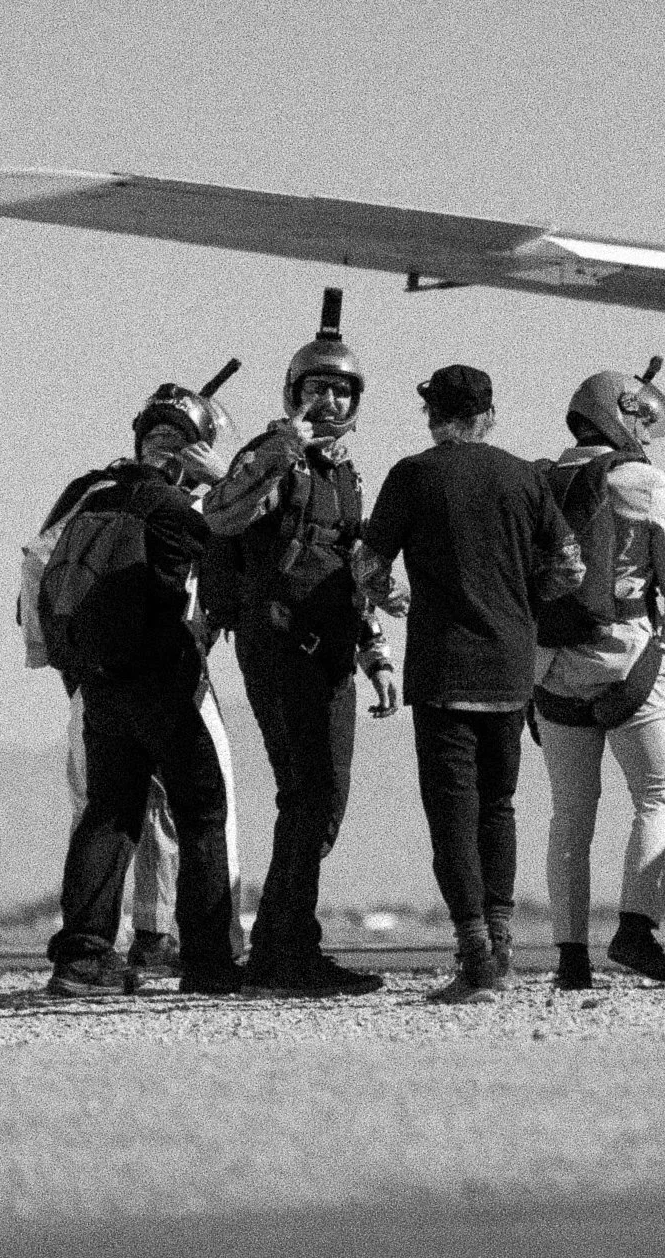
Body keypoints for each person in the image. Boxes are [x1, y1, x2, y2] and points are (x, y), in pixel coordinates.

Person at [358, 365, 584, 1004]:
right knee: (499, 806)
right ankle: (503, 945)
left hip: (441, 669)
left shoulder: (412, 476)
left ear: (433, 416)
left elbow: (369, 565)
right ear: (489, 415)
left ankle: (476, 955)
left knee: (452, 814)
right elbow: (570, 566)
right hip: (510, 670)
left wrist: (394, 598)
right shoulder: (523, 477)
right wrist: (522, 604)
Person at [202, 308, 397, 996]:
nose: (332, 400)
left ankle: (281, 943)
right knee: (306, 794)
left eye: (343, 391)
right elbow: (221, 514)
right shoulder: (274, 454)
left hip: (335, 653)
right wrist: (280, 450)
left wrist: (376, 652)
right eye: (318, 387)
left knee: (324, 801)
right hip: (279, 646)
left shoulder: (345, 474)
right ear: (294, 391)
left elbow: (347, 564)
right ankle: (287, 950)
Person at [30, 384, 247, 982]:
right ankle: (207, 959)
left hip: (97, 685)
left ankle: (82, 958)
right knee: (202, 810)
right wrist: (226, 477)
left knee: (108, 815)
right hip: (163, 683)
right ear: (190, 450)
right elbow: (240, 552)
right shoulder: (177, 508)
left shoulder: (93, 496)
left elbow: (37, 569)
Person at [535, 364, 665, 990]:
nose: (647, 435)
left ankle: (570, 957)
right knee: (658, 798)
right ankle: (635, 928)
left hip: (551, 669)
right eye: (640, 420)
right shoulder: (647, 483)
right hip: (630, 659)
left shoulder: (540, 480)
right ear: (618, 415)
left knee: (570, 814)